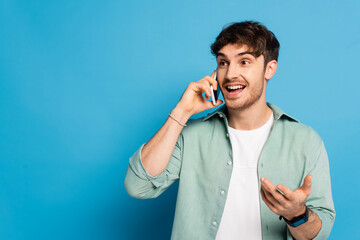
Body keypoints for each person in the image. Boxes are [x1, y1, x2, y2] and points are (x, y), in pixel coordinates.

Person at [124, 21, 335, 240]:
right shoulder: (191, 135)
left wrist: (296, 215)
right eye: (223, 62)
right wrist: (181, 113)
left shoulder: (306, 141)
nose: (230, 73)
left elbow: (318, 234)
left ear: (269, 69)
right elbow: (138, 186)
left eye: (244, 62)